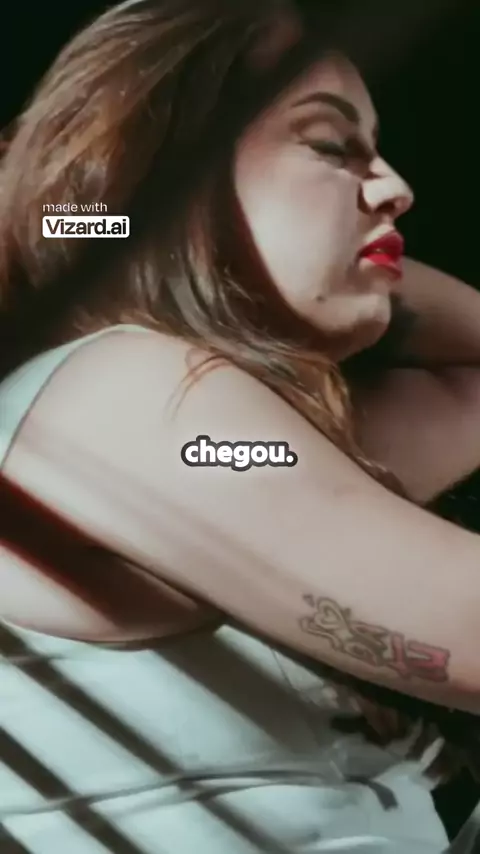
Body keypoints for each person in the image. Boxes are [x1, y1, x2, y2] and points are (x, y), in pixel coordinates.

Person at [1, 0, 480, 850]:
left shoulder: (247, 433)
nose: (395, 188)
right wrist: (135, 216)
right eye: (331, 144)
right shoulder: (118, 394)